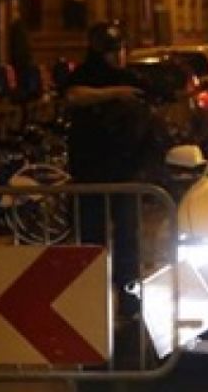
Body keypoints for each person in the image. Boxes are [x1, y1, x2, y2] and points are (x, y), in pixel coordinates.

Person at [64, 21, 150, 319]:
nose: (118, 56)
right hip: (91, 173)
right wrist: (114, 94)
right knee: (92, 241)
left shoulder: (130, 78)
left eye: (120, 49)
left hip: (125, 172)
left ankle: (129, 299)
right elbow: (73, 95)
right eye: (112, 51)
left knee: (128, 241)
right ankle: (94, 298)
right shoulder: (86, 75)